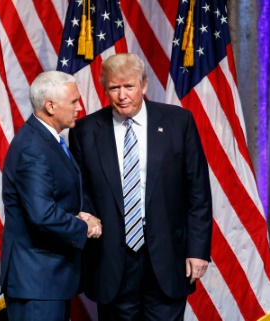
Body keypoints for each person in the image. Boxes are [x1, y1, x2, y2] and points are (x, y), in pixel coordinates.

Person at [68, 53, 213, 320]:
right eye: (114, 87)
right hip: (111, 260)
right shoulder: (85, 131)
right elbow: (80, 192)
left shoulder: (178, 122)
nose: (122, 95)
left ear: (143, 86)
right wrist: (89, 219)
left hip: (168, 257)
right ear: (106, 89)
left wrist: (198, 251)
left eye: (129, 86)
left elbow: (198, 193)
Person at [0, 70, 102, 321]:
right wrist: (84, 226)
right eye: (74, 101)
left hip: (48, 280)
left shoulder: (46, 140)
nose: (80, 107)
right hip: (37, 282)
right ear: (51, 106)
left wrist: (77, 213)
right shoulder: (34, 148)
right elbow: (42, 214)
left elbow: (48, 200)